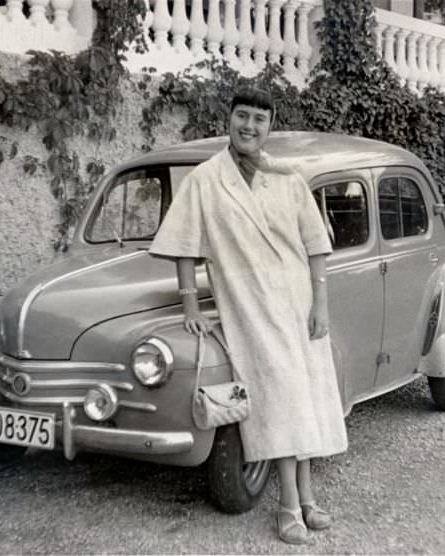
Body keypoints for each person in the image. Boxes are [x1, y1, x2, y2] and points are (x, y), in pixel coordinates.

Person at [149, 86, 348, 545]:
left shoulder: (287, 177)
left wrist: (320, 304)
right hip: (250, 305)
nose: (250, 126)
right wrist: (191, 305)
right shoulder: (205, 179)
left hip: (298, 303)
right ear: (229, 120)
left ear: (269, 126)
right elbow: (184, 245)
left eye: (260, 119)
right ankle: (289, 507)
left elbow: (316, 245)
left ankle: (308, 497)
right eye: (242, 116)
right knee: (279, 400)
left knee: (308, 398)